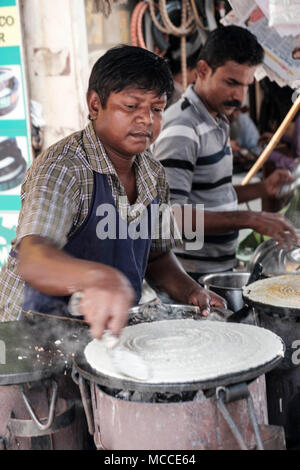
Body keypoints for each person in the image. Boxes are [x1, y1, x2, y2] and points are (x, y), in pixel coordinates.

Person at [0, 45, 225, 338]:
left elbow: (156, 257)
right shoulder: (64, 168)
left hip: (101, 333)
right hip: (31, 334)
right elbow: (33, 257)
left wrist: (191, 290)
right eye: (131, 107)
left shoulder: (153, 173)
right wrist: (98, 277)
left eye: (156, 109)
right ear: (95, 105)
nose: (146, 119)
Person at [152, 26, 299, 279]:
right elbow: (169, 219)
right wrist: (249, 218)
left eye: (246, 85)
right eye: (231, 83)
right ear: (202, 70)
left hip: (216, 269)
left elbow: (212, 195)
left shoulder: (217, 120)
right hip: (187, 278)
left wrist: (262, 189)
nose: (240, 96)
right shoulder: (183, 129)